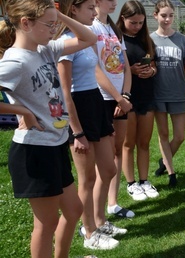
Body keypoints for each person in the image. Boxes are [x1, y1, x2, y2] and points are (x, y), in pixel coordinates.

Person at [0, 0, 96, 256]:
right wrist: (23, 111)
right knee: (46, 223)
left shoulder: (46, 49)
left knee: (74, 209)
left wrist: (60, 17)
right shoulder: (15, 61)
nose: (54, 29)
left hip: (54, 144)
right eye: (49, 24)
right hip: (34, 150)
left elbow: (89, 37)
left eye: (56, 24)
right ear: (25, 23)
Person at [56, 0, 125, 250]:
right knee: (86, 179)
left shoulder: (85, 38)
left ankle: (100, 220)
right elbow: (65, 93)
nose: (94, 13)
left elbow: (97, 71)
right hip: (79, 108)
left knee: (108, 169)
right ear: (73, 10)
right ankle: (89, 233)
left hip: (95, 102)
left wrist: (118, 97)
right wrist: (77, 132)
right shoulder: (66, 44)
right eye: (89, 8)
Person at [90, 0, 133, 220]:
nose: (114, 2)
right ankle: (96, 215)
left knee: (117, 150)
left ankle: (113, 203)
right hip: (102, 97)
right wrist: (117, 98)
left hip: (120, 99)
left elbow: (125, 65)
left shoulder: (114, 29)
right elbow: (94, 67)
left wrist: (125, 96)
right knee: (103, 157)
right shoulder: (90, 26)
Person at [116, 0, 160, 201]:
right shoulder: (116, 39)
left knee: (144, 142)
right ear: (123, 18)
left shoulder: (147, 40)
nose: (137, 26)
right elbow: (112, 69)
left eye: (141, 22)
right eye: (133, 22)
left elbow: (153, 63)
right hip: (127, 97)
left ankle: (144, 181)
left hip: (146, 96)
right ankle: (131, 183)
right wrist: (130, 71)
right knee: (128, 143)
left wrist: (150, 70)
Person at [151, 0, 185, 187]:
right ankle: (171, 173)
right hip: (158, 94)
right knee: (163, 134)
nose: (167, 19)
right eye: (163, 15)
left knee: (180, 135)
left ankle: (164, 161)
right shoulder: (150, 39)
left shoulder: (182, 39)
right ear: (155, 15)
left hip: (178, 92)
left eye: (170, 15)